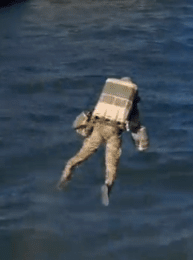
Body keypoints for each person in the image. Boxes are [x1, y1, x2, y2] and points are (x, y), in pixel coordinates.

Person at [57, 77, 149, 205]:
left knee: (81, 155)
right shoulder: (130, 105)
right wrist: (142, 145)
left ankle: (66, 174)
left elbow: (92, 114)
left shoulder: (107, 98)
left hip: (97, 128)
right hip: (114, 132)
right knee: (111, 165)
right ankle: (108, 185)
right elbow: (135, 126)